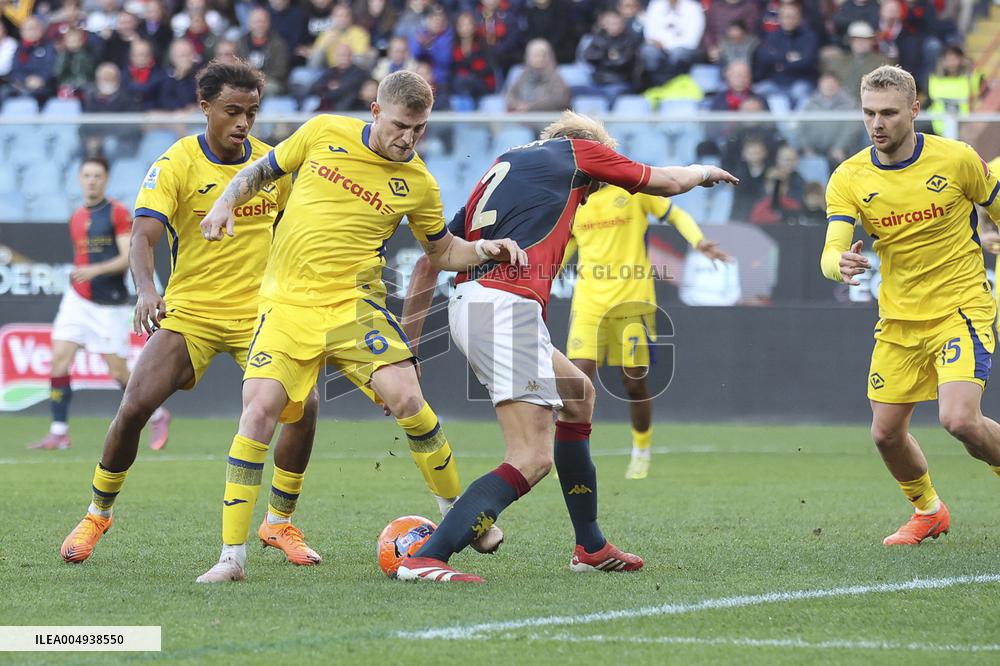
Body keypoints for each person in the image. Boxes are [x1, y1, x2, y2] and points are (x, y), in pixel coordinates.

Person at [195, 70, 515, 583]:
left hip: (355, 305)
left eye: (419, 128)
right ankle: (231, 557)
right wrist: (225, 200)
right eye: (400, 126)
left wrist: (482, 250)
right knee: (259, 411)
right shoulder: (323, 132)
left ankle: (463, 517)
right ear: (374, 112)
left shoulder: (419, 183)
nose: (408, 138)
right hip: (288, 304)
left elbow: (442, 251)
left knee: (408, 398)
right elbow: (261, 170)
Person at [396, 111, 738, 582]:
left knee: (578, 393)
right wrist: (704, 173)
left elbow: (427, 264)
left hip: (475, 303)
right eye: (593, 186)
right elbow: (663, 182)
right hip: (504, 305)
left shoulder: (505, 167)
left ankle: (590, 545)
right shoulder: (578, 152)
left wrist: (408, 348)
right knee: (531, 457)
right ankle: (426, 557)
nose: (589, 196)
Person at [58, 59, 319, 569]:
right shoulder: (176, 162)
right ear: (205, 109)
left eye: (251, 112)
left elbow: (299, 230)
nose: (243, 122)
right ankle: (97, 513)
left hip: (262, 315)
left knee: (304, 411)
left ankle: (279, 522)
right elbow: (143, 234)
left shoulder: (272, 165)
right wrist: (145, 289)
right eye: (231, 111)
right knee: (134, 405)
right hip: (192, 312)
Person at [821, 65, 1000, 546]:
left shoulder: (957, 158)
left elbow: (998, 207)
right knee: (885, 434)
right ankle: (929, 511)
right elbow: (830, 248)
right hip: (899, 319)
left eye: (888, 113)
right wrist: (838, 263)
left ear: (914, 111)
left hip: (961, 308)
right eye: (868, 113)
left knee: (959, 420)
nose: (877, 123)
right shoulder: (850, 176)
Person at [563, 185, 730, 479]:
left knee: (633, 382)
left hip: (633, 302)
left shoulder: (632, 190)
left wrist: (699, 241)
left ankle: (641, 451)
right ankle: (573, 455)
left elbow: (674, 213)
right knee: (577, 381)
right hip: (589, 303)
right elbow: (561, 253)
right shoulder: (574, 203)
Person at [27, 159, 168, 451]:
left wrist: (94, 271)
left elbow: (126, 256)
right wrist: (81, 275)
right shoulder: (76, 216)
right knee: (58, 360)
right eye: (87, 175)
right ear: (79, 179)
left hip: (108, 305)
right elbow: (82, 259)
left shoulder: (117, 212)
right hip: (77, 301)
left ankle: (157, 415)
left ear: (106, 180)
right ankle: (59, 432)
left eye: (97, 176)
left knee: (117, 371)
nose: (91, 181)